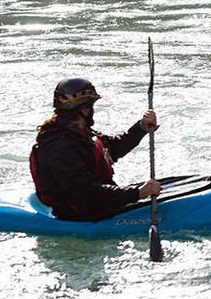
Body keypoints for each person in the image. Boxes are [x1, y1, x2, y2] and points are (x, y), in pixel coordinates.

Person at [29, 77, 162, 221]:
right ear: (84, 110)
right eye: (91, 107)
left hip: (94, 200)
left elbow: (112, 149)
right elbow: (86, 194)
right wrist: (137, 193)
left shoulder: (78, 133)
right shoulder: (59, 149)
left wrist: (141, 128)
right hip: (77, 213)